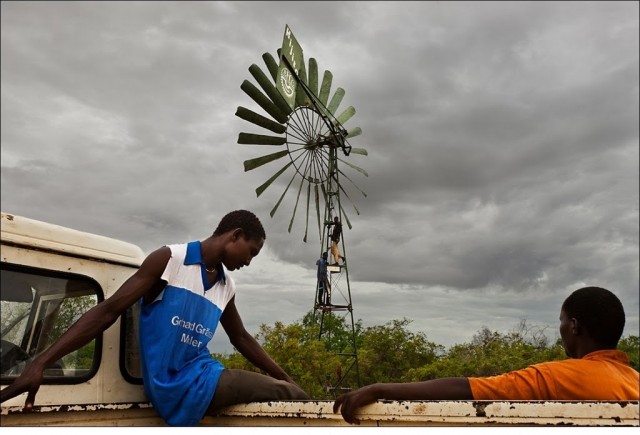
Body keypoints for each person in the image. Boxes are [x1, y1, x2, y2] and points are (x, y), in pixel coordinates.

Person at [0, 210, 310, 426]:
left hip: (204, 375)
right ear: (235, 235)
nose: (249, 261)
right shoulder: (170, 260)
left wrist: (284, 375)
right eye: (251, 252)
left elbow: (240, 338)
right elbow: (108, 310)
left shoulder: (225, 285)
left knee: (288, 390)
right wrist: (40, 362)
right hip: (175, 385)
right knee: (295, 397)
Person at [333, 286, 639, 425]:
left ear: (574, 326)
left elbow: (468, 389)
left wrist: (379, 388)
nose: (559, 329)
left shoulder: (558, 377)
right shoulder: (633, 380)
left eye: (561, 321)